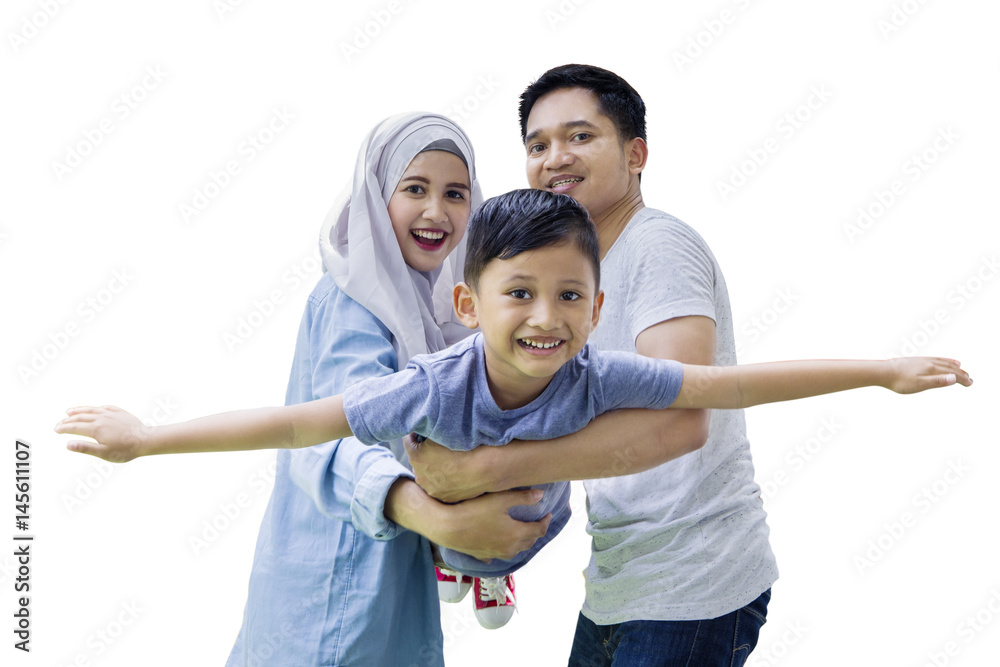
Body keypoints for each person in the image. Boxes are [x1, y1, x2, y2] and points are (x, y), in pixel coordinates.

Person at [57, 189, 970, 645]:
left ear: (598, 305)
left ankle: (488, 563)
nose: (547, 318)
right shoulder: (427, 385)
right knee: (443, 485)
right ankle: (466, 561)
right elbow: (300, 423)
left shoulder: (602, 366)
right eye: (520, 293)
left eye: (571, 294)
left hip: (532, 513)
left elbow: (728, 386)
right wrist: (147, 439)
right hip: (452, 490)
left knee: (525, 496)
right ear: (467, 304)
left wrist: (880, 371)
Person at [399, 63, 949, 666]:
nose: (555, 157)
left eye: (580, 136)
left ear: (636, 154)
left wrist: (488, 467)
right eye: (538, 144)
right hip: (622, 579)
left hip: (694, 583)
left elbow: (682, 423)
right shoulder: (571, 277)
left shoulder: (657, 247)